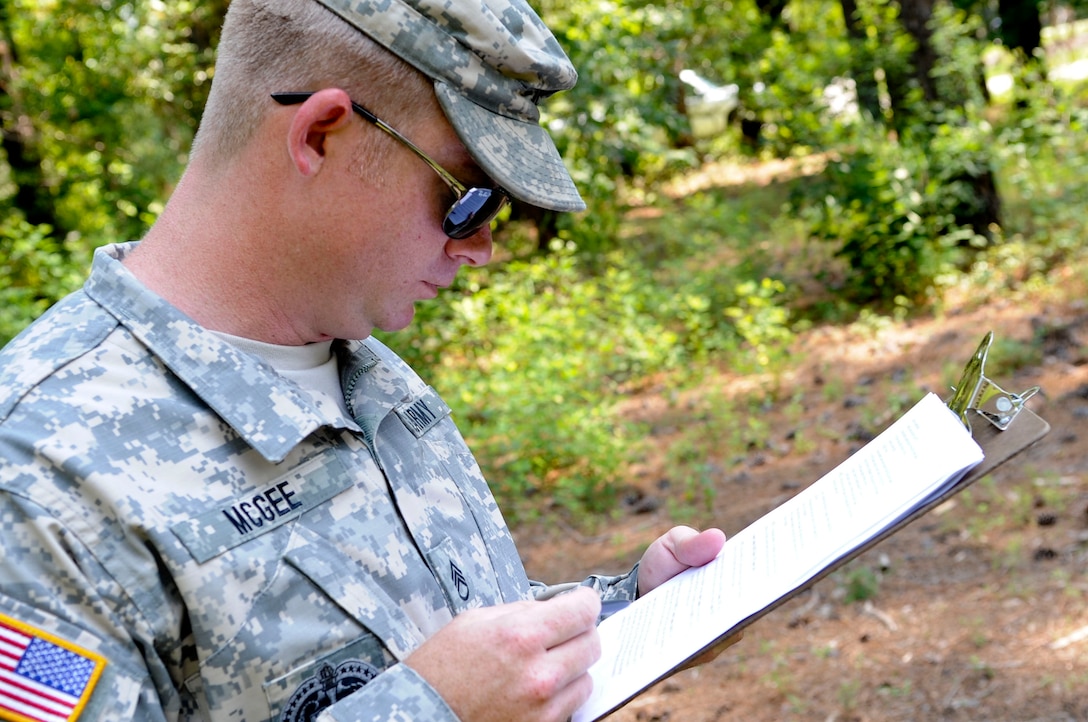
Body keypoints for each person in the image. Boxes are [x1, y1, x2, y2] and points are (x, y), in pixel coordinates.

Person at [0, 1, 728, 720]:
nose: (480, 246)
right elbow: (435, 691)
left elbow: (430, 637)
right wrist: (425, 712)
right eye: (468, 198)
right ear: (320, 133)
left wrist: (624, 613)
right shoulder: (36, 479)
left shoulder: (364, 369)